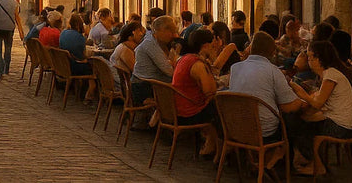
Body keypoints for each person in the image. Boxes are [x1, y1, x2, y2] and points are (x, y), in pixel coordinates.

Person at [288, 41, 352, 176]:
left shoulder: (331, 75)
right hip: (340, 121)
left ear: (320, 59)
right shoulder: (328, 74)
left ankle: (315, 164)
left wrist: (301, 93)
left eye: (311, 58)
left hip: (342, 127)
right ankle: (307, 158)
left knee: (301, 125)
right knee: (302, 120)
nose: (309, 61)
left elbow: (318, 103)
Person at [228, 32, 305, 149]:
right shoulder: (273, 71)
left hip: (237, 128)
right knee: (295, 119)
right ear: (272, 52)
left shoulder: (235, 68)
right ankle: (288, 156)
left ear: (251, 48)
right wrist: (303, 101)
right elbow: (288, 106)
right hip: (264, 131)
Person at [171, 28, 221, 157]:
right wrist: (213, 62)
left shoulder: (184, 59)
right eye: (213, 44)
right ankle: (221, 146)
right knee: (223, 107)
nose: (215, 46)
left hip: (179, 108)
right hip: (190, 112)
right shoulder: (198, 65)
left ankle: (215, 142)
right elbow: (211, 92)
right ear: (205, 45)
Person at [130, 14, 178, 105]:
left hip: (145, 84)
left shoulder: (153, 40)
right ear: (162, 31)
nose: (174, 35)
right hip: (144, 89)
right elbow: (169, 71)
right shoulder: (150, 44)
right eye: (171, 32)